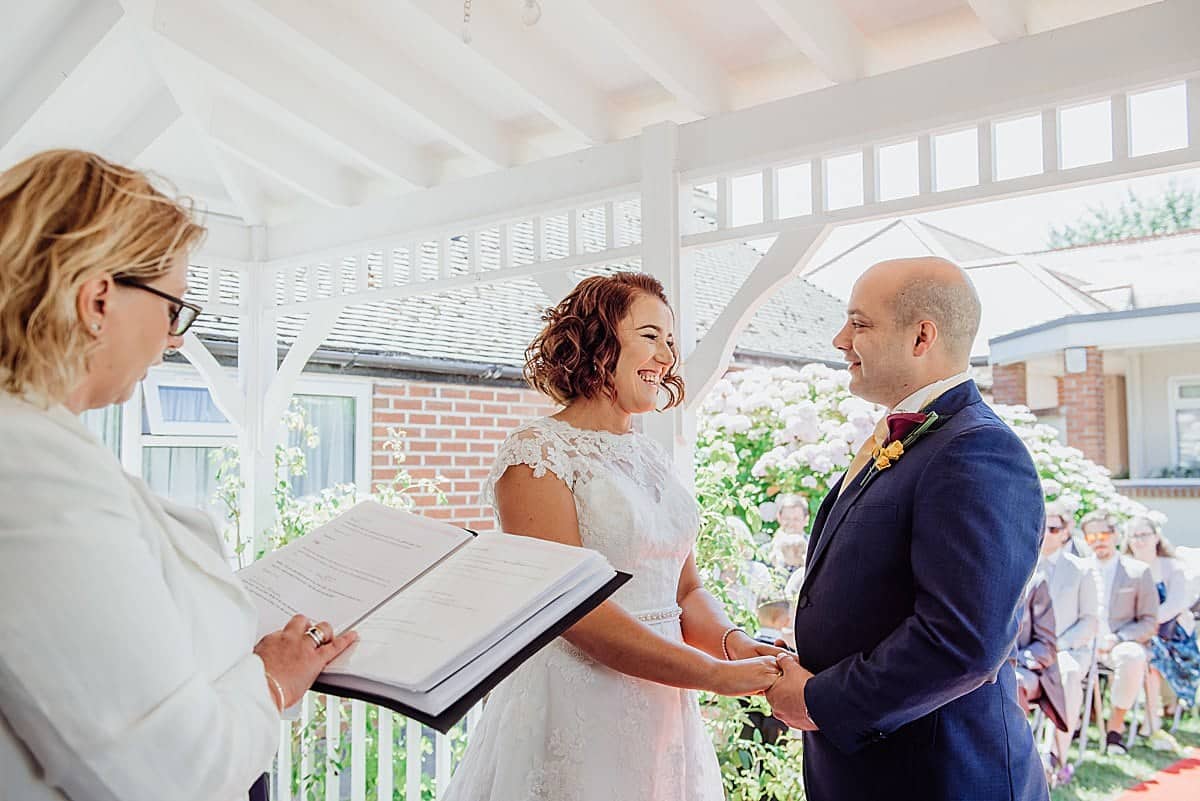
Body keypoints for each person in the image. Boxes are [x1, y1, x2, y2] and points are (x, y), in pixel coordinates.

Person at [0, 151, 360, 801]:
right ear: (98, 298)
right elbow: (166, 772)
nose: (172, 339)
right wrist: (271, 680)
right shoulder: (33, 469)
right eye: (173, 309)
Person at [442, 273, 783, 801]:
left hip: (664, 705)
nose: (668, 357)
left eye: (670, 341)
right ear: (597, 341)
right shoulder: (537, 454)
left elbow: (684, 590)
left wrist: (733, 644)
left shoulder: (649, 454)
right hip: (577, 706)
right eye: (651, 335)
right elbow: (573, 612)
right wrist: (712, 675)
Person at [765, 257, 1048, 801]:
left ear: (922, 336)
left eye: (859, 323)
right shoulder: (916, 439)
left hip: (937, 776)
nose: (839, 339)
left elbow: (963, 641)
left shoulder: (976, 450)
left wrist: (821, 700)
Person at [1078, 510, 1158, 755]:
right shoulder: (1078, 569)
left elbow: (1149, 621)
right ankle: (1067, 727)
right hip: (1081, 643)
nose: (1098, 541)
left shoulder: (1138, 571)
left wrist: (1119, 638)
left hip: (1118, 643)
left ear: (1114, 535)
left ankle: (1115, 729)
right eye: (1090, 537)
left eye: (1102, 534)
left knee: (1132, 655)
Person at [1037, 499, 1100, 784]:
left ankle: (1056, 757)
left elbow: (1090, 620)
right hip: (1028, 650)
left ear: (1065, 531)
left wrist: (1060, 644)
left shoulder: (1082, 569)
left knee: (1067, 673)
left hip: (1068, 649)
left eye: (1053, 527)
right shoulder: (1024, 561)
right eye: (1043, 524)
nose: (1046, 532)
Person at [1124, 515, 1200, 745]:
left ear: (1156, 537)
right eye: (1134, 536)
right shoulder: (1125, 566)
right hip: (1132, 630)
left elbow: (1175, 604)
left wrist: (1147, 624)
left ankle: (1151, 721)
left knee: (1153, 657)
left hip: (1171, 634)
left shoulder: (1172, 567)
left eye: (1144, 535)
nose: (1139, 540)